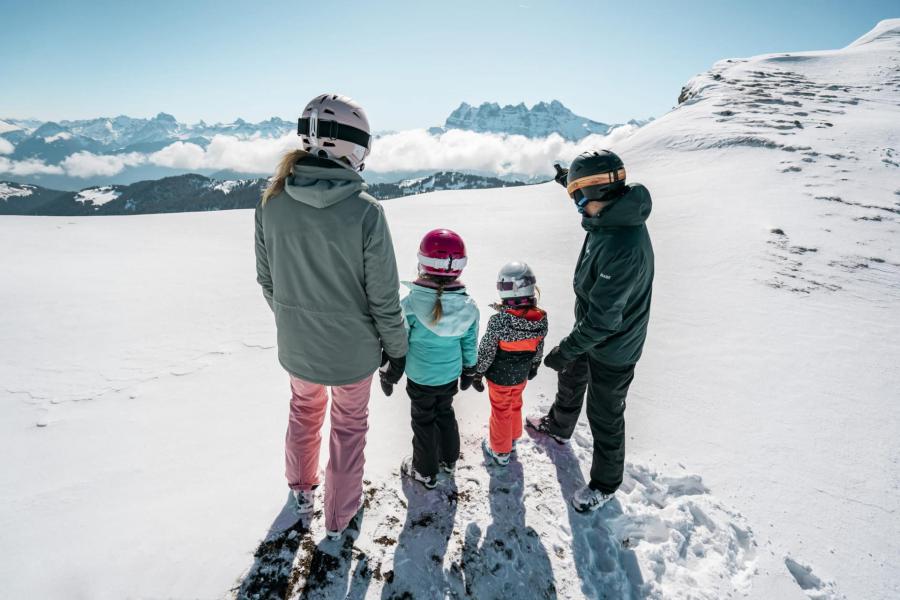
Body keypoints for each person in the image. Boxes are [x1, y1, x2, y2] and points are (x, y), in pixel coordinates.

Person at [254, 93, 408, 539]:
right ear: (351, 146)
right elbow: (383, 300)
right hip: (354, 355)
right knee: (348, 428)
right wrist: (396, 352)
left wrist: (296, 321)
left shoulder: (272, 200)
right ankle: (340, 519)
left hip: (298, 346)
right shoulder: (365, 211)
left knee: (303, 412)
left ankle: (301, 492)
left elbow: (268, 281)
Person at [526, 150, 654, 513]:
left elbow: (604, 321)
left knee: (605, 412)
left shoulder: (621, 244)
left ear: (601, 192)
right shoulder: (611, 217)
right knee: (571, 377)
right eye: (573, 195)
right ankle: (559, 426)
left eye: (580, 197)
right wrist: (569, 180)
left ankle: (605, 484)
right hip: (593, 329)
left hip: (614, 345)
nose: (577, 205)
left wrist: (564, 350)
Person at [385, 229, 479, 490]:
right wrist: (469, 369)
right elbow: (469, 343)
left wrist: (391, 371)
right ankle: (448, 461)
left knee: (423, 421)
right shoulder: (469, 307)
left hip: (420, 376)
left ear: (423, 262)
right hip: (449, 375)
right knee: (445, 412)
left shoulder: (411, 304)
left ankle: (425, 471)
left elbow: (399, 343)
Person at [473, 262, 548, 466]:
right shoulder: (540, 318)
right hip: (521, 374)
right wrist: (534, 364)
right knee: (515, 402)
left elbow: (487, 349)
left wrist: (478, 372)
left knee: (500, 411)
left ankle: (500, 451)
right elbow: (539, 345)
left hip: (500, 378)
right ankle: (512, 437)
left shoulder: (500, 321)